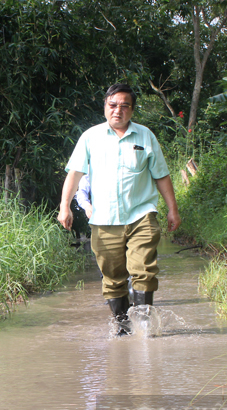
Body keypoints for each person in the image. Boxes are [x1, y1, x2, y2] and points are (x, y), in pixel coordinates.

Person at [57, 83, 180, 335]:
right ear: (105, 107)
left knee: (143, 270)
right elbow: (75, 174)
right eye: (113, 105)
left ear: (132, 110)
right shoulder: (90, 137)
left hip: (141, 214)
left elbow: (162, 175)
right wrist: (64, 207)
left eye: (125, 106)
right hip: (104, 220)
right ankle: (123, 328)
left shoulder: (146, 136)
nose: (118, 110)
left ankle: (144, 330)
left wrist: (172, 210)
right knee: (113, 278)